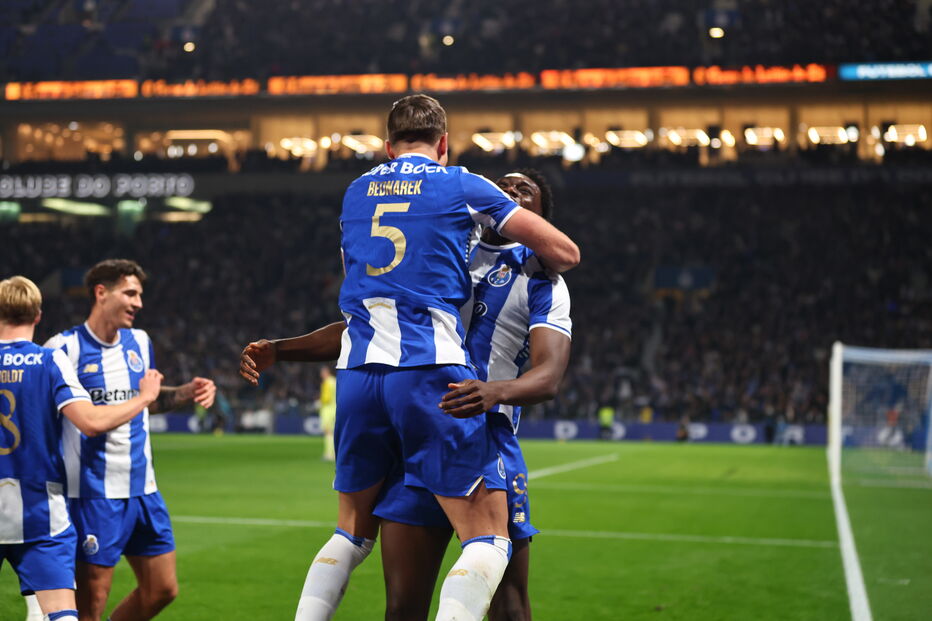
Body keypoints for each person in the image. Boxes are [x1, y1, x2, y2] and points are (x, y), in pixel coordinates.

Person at [246, 94, 578, 621]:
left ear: (385, 145)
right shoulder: (456, 217)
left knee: (498, 598)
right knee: (418, 590)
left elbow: (550, 365)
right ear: (444, 144)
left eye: (524, 192)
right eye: (505, 187)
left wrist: (496, 390)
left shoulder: (537, 281)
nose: (509, 193)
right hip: (431, 390)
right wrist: (284, 349)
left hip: (434, 406)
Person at [44, 259, 216, 621]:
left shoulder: (140, 341)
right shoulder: (64, 349)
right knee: (90, 607)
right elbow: (73, 419)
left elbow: (146, 404)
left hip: (144, 489)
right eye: (130, 293)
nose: (138, 303)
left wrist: (185, 392)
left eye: (140, 295)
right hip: (93, 494)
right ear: (101, 293)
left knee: (162, 590)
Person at [1, 275, 162, 621]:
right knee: (63, 615)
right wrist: (145, 397)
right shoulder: (48, 360)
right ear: (39, 315)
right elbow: (89, 421)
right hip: (40, 511)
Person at [318, 366, 336, 461]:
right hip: (335, 409)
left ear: (326, 372)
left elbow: (326, 398)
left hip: (328, 410)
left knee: (328, 432)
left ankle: (329, 454)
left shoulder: (327, 383)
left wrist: (319, 401)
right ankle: (333, 453)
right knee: (333, 433)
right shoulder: (334, 381)